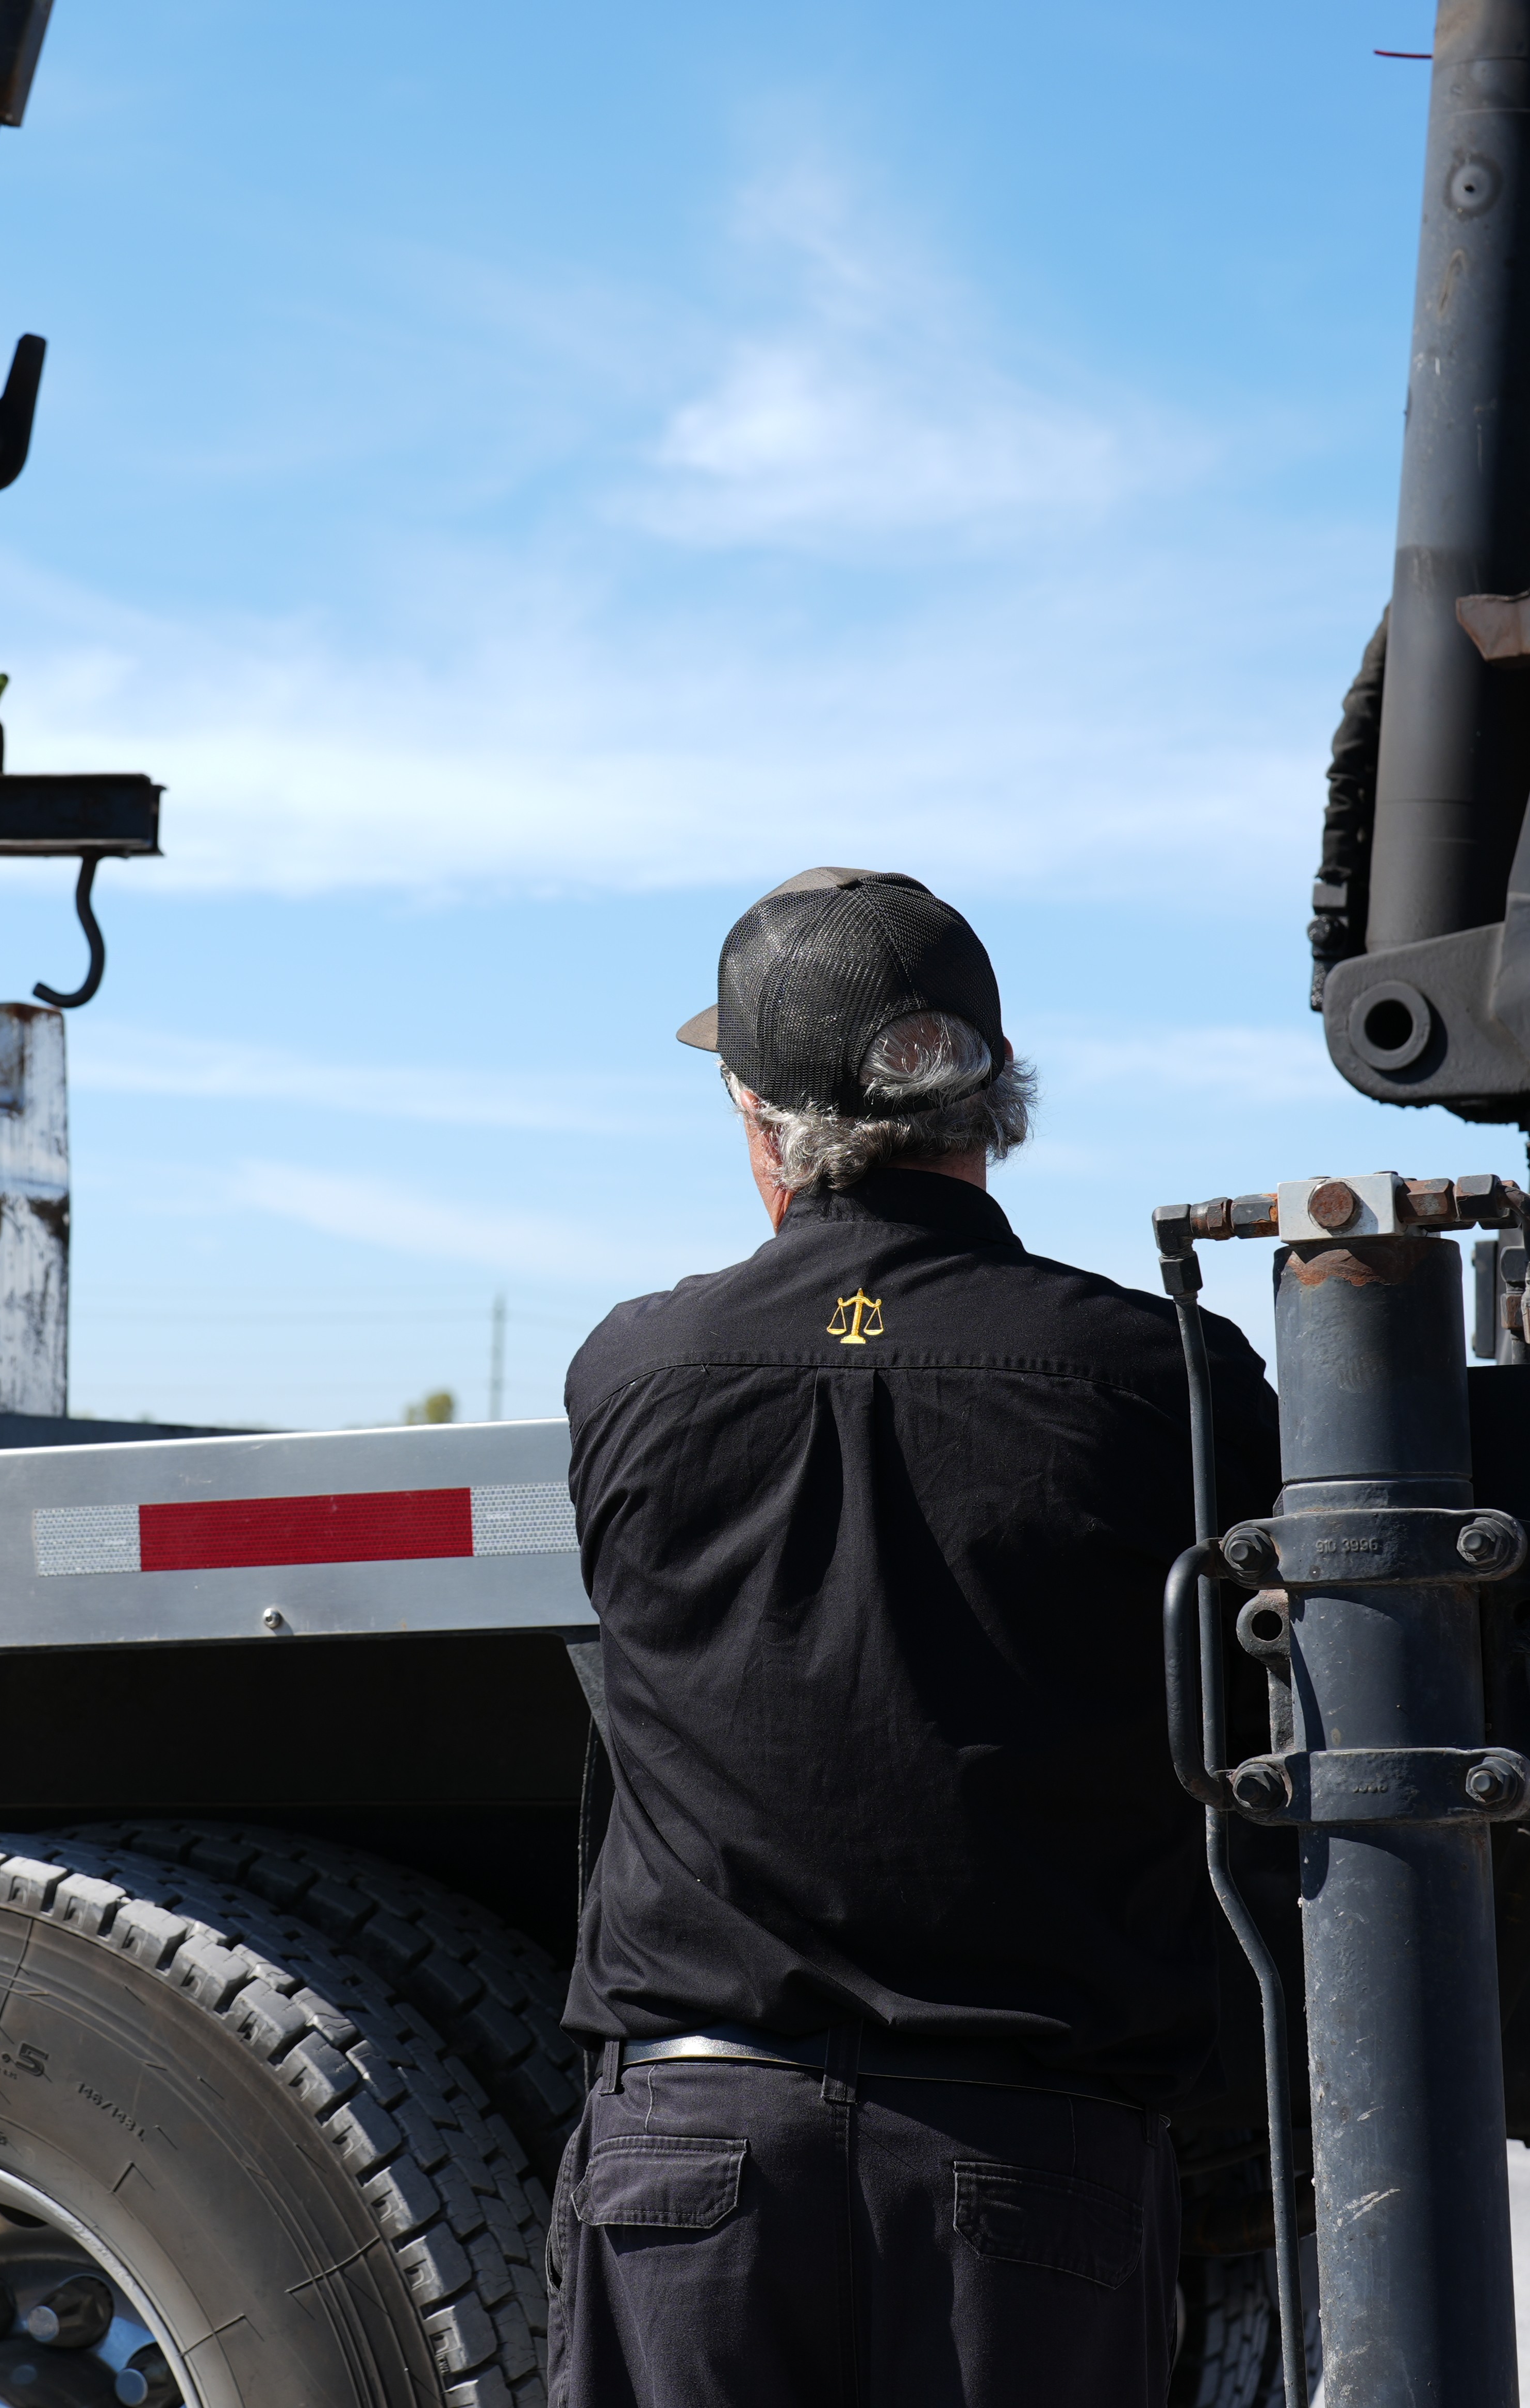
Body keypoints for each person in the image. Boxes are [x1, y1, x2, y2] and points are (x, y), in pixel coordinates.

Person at [546, 867, 1280, 2407]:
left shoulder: (631, 1368)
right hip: (1029, 2163)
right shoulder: (1166, 1380)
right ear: (993, 1096)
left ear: (754, 1115)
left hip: (696, 2152)